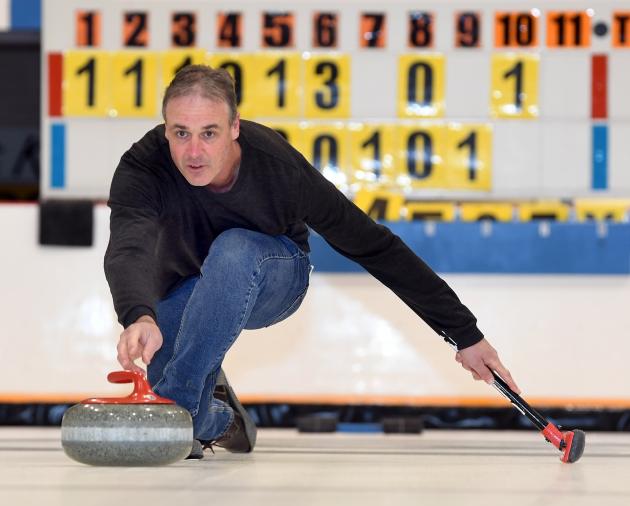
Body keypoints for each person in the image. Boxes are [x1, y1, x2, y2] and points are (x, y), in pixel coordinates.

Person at [104, 65, 520, 459]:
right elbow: (129, 244)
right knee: (185, 424)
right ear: (165, 130)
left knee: (232, 250)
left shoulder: (277, 168)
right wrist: (138, 315)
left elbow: (374, 246)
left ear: (235, 128)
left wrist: (465, 333)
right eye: (181, 133)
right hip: (190, 288)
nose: (193, 151)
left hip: (274, 277)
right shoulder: (144, 167)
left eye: (209, 133)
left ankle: (174, 407)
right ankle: (215, 420)